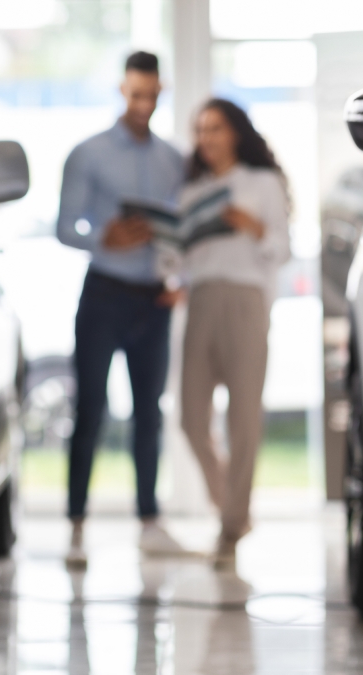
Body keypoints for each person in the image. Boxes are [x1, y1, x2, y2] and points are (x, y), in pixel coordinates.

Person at [56, 51, 186, 568]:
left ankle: (149, 522)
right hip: (104, 293)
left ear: (160, 91)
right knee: (90, 409)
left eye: (152, 96)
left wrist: (181, 277)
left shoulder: (173, 160)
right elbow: (66, 227)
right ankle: (76, 527)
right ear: (121, 90)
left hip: (153, 299)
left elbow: (185, 230)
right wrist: (103, 236)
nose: (144, 105)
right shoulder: (87, 154)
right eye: (136, 95)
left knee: (149, 413)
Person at [178, 98, 291, 568]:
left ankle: (229, 526)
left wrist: (254, 226)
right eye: (200, 129)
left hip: (246, 301)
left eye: (215, 128)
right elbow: (181, 258)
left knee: (243, 419)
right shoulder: (190, 193)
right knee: (190, 416)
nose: (207, 138)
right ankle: (233, 507)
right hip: (200, 300)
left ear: (235, 132)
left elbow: (282, 249)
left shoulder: (263, 183)